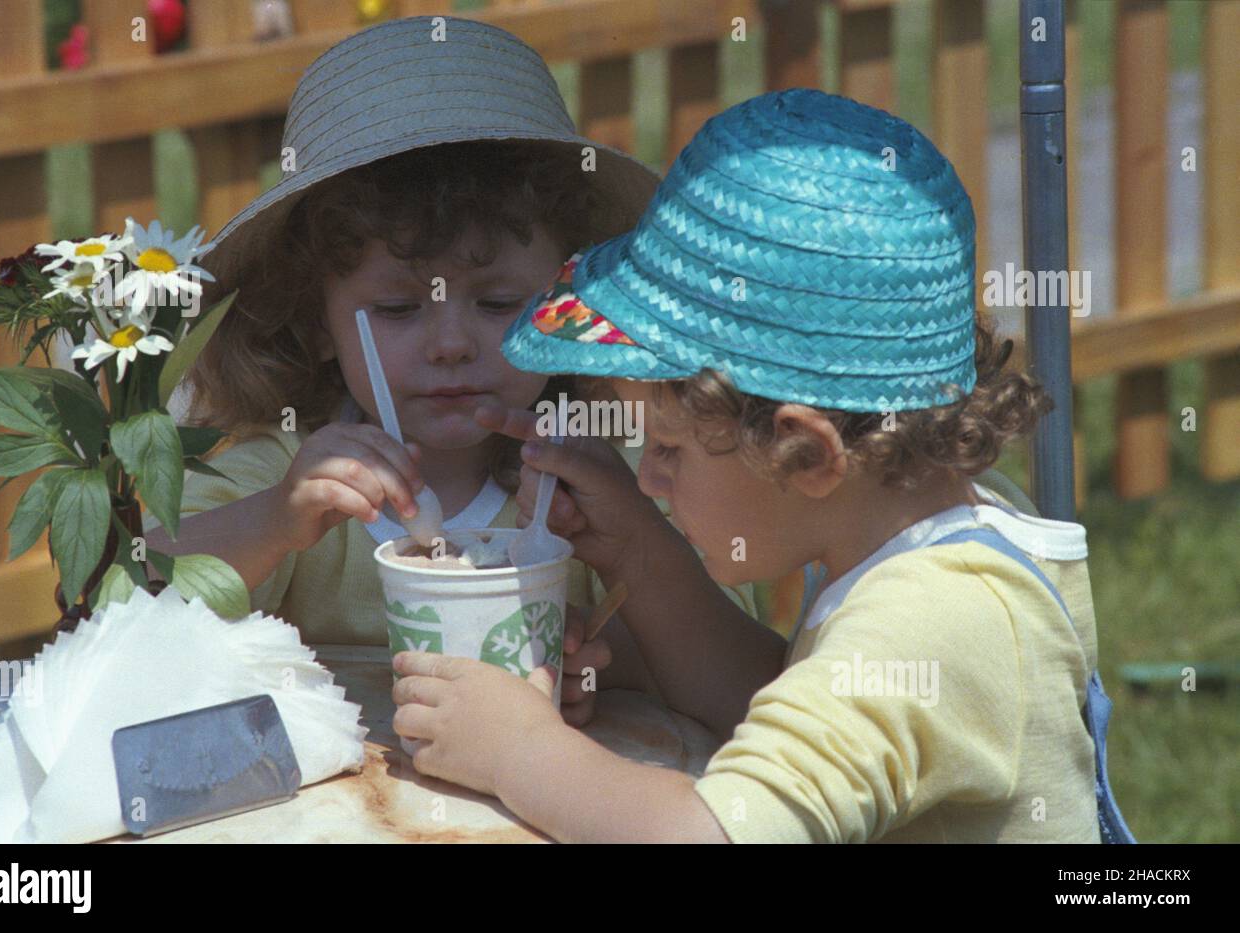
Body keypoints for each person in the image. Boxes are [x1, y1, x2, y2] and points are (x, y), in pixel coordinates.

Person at [390, 88, 1137, 843]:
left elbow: (711, 835)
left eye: (669, 448)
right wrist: (641, 553)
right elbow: (769, 697)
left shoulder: (936, 618)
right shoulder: (916, 535)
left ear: (807, 453)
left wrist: (521, 749)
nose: (648, 474)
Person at [140, 17, 758, 721]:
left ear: (569, 305)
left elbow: (744, 691)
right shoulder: (287, 475)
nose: (451, 343)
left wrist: (602, 657)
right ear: (317, 322)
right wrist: (273, 522)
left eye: (497, 302)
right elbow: (125, 618)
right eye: (400, 308)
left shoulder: (616, 477)